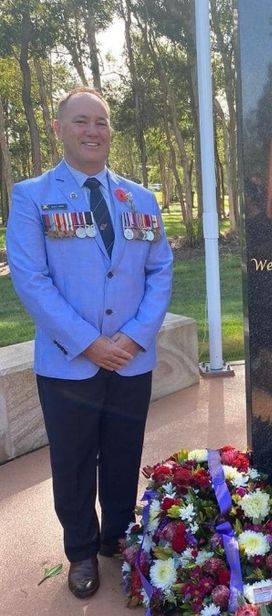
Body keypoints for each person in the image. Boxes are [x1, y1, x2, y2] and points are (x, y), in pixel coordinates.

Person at [6, 86, 173, 599]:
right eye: (81, 122)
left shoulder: (139, 198)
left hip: (130, 358)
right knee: (74, 462)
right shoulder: (32, 196)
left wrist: (134, 335)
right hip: (67, 364)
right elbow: (31, 279)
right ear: (59, 129)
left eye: (100, 122)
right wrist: (87, 343)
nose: (92, 131)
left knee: (123, 454)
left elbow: (161, 270)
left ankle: (115, 540)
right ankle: (80, 553)